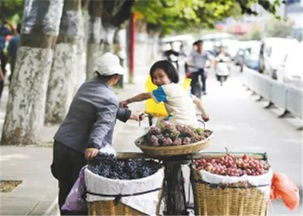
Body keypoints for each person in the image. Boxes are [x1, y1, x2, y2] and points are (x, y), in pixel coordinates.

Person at [51, 52, 141, 215]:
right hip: (79, 150)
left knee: (65, 189)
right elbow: (103, 122)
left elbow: (98, 109)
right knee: (80, 194)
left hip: (61, 144)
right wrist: (94, 145)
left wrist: (127, 115)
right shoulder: (110, 97)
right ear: (115, 76)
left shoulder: (86, 86)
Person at [120, 60, 209, 128]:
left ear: (170, 76)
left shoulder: (164, 89)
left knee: (158, 122)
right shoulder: (180, 88)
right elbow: (198, 101)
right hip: (193, 125)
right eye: (154, 77)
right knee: (163, 118)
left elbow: (144, 95)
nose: (157, 80)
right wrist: (205, 114)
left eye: (161, 76)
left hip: (177, 126)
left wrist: (127, 101)